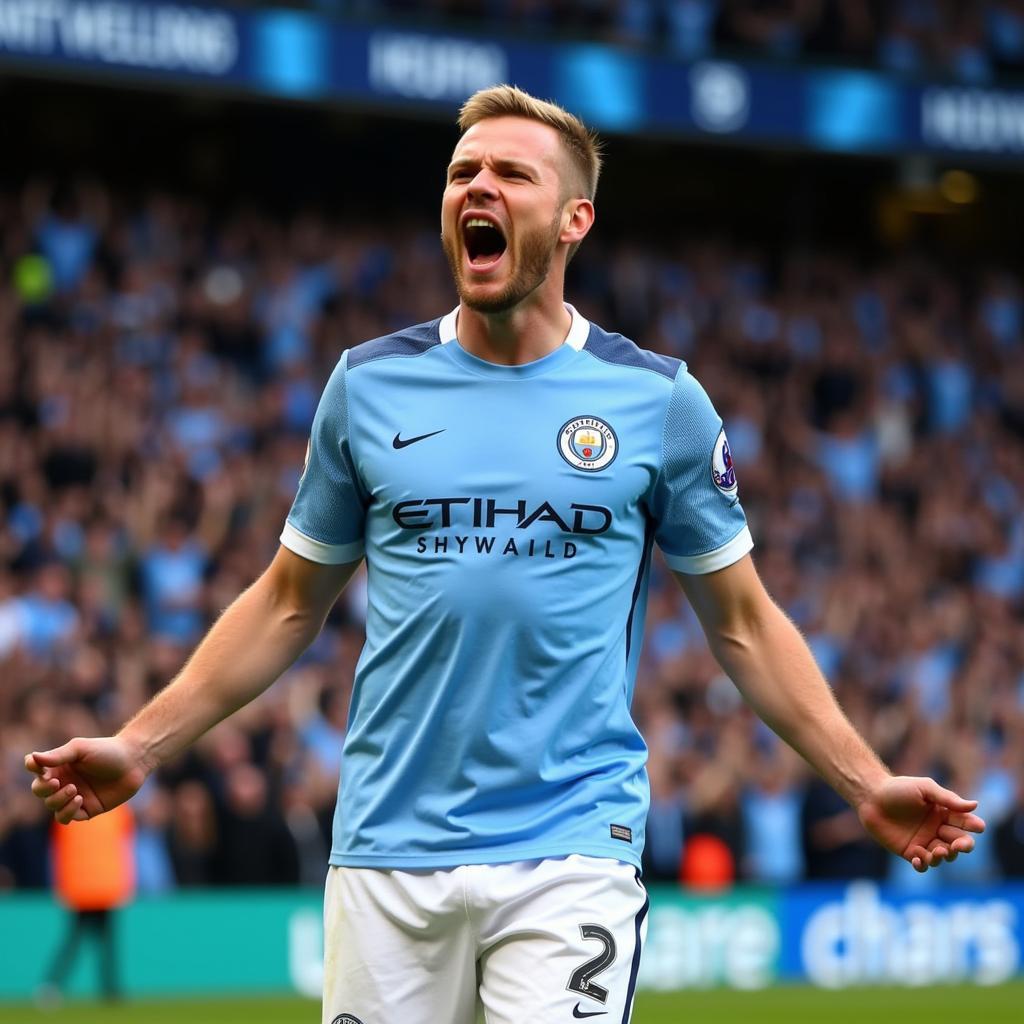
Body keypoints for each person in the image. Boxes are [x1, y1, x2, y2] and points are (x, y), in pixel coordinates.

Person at [25, 86, 986, 1024]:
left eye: (510, 174)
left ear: (575, 219)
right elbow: (285, 603)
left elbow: (741, 622)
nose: (477, 188)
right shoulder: (367, 386)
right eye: (461, 172)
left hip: (570, 850)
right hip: (386, 851)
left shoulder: (657, 403)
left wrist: (866, 781)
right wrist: (139, 744)